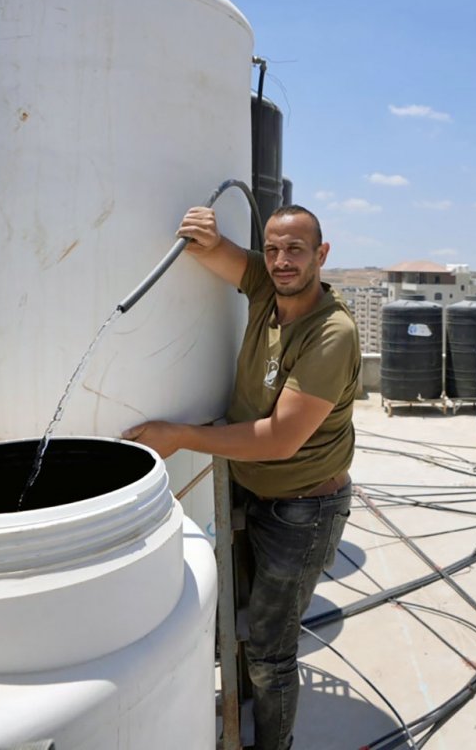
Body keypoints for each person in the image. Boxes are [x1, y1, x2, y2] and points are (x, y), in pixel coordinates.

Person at [124, 203, 359, 750]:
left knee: (271, 652)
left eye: (296, 250)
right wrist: (205, 231)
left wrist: (178, 435)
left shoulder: (332, 334)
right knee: (240, 624)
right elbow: (214, 253)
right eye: (272, 249)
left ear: (320, 255)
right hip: (253, 493)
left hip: (303, 510)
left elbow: (279, 439)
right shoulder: (265, 285)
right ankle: (245, 708)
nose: (281, 261)